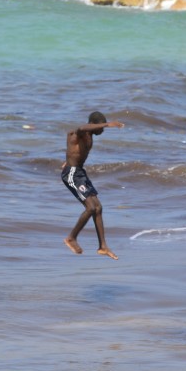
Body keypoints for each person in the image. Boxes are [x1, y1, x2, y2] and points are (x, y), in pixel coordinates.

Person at [61, 111, 125, 260]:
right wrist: (109, 124)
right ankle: (71, 238)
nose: (102, 130)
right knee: (90, 207)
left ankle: (103, 246)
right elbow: (81, 128)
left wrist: (68, 159)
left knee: (98, 208)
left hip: (80, 173)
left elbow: (75, 152)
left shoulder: (90, 137)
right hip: (71, 174)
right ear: (94, 125)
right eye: (101, 127)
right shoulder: (78, 133)